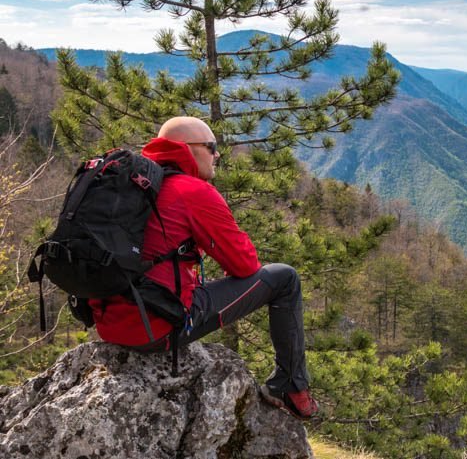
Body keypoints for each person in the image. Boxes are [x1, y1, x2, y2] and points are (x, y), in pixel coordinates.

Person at [88, 116, 318, 419]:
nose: (218, 154)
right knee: (284, 278)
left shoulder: (133, 186)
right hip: (156, 330)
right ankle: (291, 389)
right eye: (211, 147)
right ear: (188, 149)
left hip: (109, 323)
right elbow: (245, 264)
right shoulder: (192, 191)